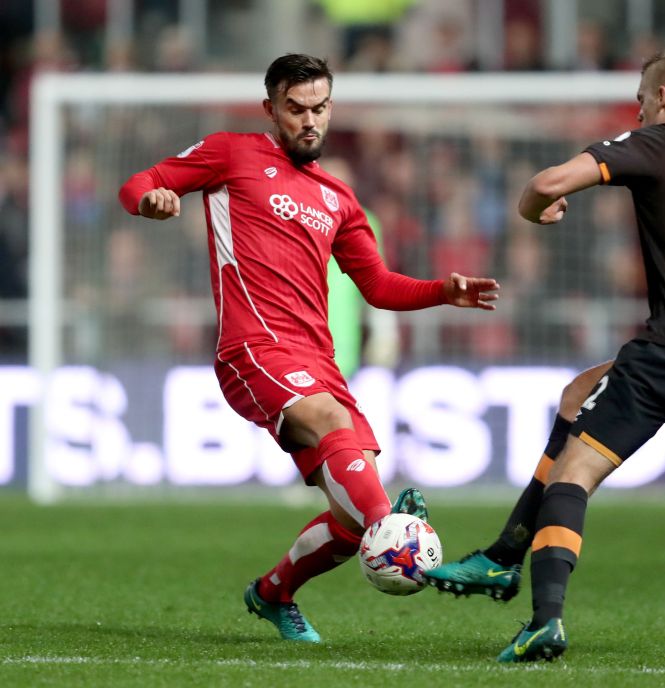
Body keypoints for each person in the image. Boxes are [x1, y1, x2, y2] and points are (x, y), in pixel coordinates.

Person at [424, 45, 665, 663]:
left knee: (573, 474)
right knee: (577, 394)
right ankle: (504, 555)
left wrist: (540, 211)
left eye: (640, 97)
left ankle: (543, 621)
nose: (636, 110)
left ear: (662, 96)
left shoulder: (657, 144)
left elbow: (543, 184)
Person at [118, 54, 499, 644]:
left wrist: (441, 291)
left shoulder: (338, 199)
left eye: (319, 108)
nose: (309, 121)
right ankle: (401, 538)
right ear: (271, 109)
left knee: (348, 523)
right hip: (253, 348)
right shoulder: (231, 153)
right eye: (295, 109)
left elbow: (378, 286)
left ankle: (274, 593)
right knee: (333, 431)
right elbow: (139, 182)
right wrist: (151, 201)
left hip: (318, 361)